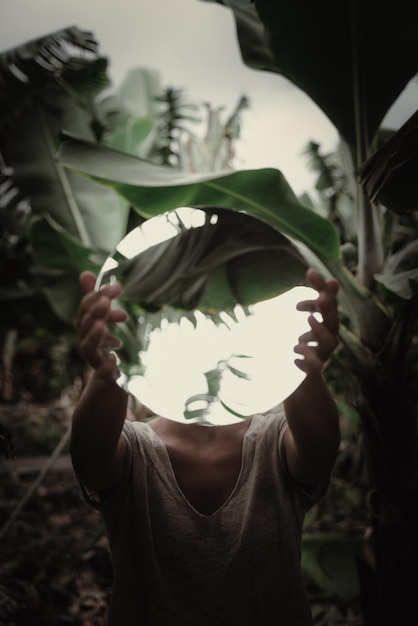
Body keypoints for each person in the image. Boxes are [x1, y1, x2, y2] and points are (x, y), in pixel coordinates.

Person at [71, 268, 340, 626]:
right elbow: (90, 460)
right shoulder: (137, 449)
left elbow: (319, 453)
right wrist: (107, 375)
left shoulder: (273, 442)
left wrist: (306, 370)